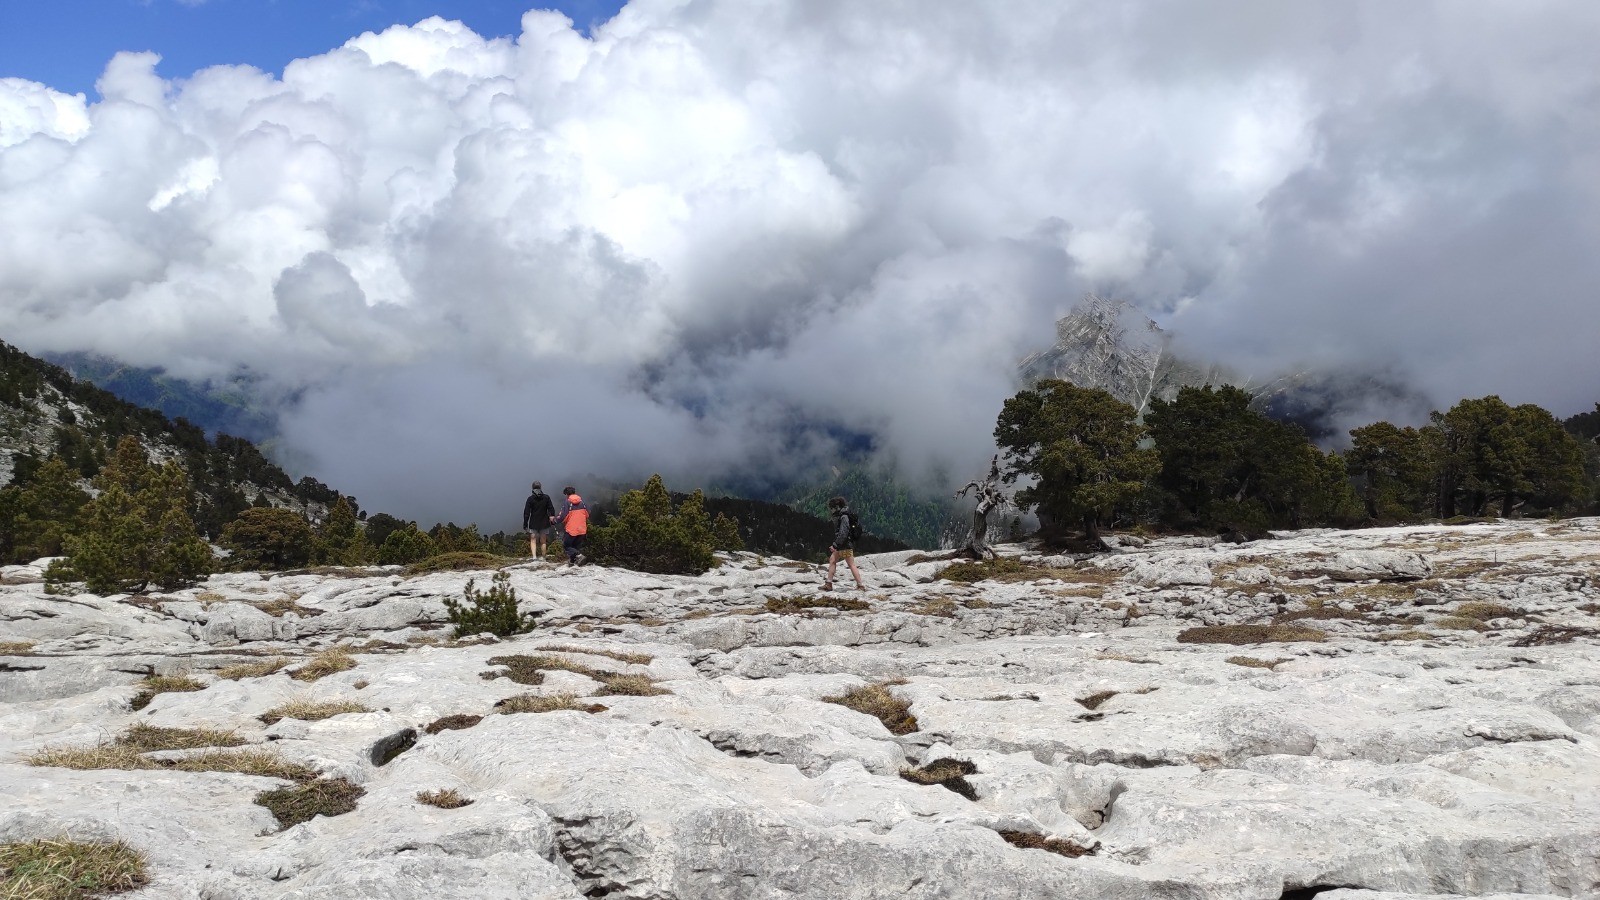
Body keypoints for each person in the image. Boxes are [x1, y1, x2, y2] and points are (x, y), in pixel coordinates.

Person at [823, 495, 866, 592]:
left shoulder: (843, 517)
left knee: (851, 564)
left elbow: (843, 533)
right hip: (842, 545)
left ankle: (860, 585)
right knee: (832, 560)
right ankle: (829, 583)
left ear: (837, 507)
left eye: (832, 508)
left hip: (845, 545)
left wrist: (835, 545)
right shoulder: (843, 515)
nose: (831, 510)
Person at [554, 486, 589, 567]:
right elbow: (587, 514)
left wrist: (555, 521)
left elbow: (563, 516)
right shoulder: (582, 502)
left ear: (566, 494)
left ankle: (579, 555)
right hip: (582, 528)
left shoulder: (567, 502)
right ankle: (572, 563)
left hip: (571, 529)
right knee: (575, 546)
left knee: (566, 545)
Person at [523, 481, 556, 558]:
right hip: (544, 522)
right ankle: (543, 557)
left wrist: (525, 524)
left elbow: (526, 513)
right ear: (540, 487)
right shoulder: (546, 497)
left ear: (532, 488)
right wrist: (552, 516)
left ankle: (534, 557)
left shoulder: (530, 499)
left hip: (533, 523)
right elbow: (551, 509)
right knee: (543, 541)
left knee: (533, 540)